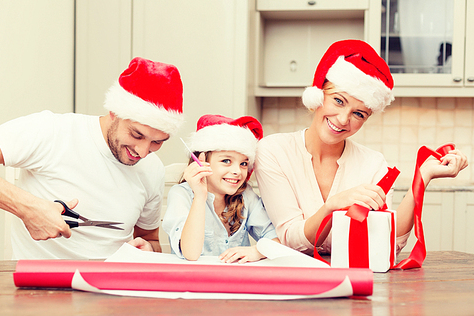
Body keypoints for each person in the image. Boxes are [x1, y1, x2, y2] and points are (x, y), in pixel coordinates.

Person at [254, 39, 468, 256]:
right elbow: (291, 239)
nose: (343, 119)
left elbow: (387, 243)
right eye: (338, 101)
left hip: (355, 278)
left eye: (359, 114)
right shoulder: (273, 151)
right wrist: (333, 205)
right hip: (293, 278)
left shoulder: (373, 164)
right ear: (319, 94)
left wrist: (424, 175)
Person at [0, 57, 184, 259]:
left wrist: (148, 249)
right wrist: (27, 208)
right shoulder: (52, 131)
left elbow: (149, 238)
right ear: (114, 112)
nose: (143, 151)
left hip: (110, 289)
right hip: (38, 289)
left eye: (157, 142)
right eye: (136, 135)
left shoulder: (152, 169)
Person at [162, 114, 279, 263]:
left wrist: (257, 251)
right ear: (201, 161)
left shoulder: (246, 195)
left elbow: (277, 239)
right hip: (193, 282)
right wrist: (199, 196)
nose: (237, 171)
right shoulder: (181, 195)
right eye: (226, 161)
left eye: (243, 163)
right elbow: (191, 254)